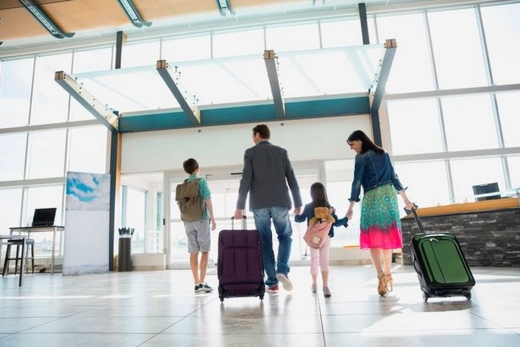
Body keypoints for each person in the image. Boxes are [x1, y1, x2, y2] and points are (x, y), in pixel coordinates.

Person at [234, 124, 303, 293]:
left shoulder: (250, 153)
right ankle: (282, 270)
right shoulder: (281, 152)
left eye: (253, 135)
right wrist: (298, 202)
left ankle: (272, 282)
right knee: (285, 236)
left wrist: (239, 206)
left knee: (264, 242)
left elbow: (246, 180)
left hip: (259, 204)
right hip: (280, 201)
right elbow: (291, 178)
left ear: (257, 135)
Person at [345, 130, 414, 296]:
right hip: (389, 197)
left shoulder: (361, 157)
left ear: (360, 141)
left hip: (373, 197)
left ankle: (380, 275)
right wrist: (406, 199)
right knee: (387, 237)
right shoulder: (384, 153)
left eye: (352, 144)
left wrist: (351, 206)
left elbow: (357, 182)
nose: (352, 148)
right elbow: (394, 177)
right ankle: (389, 274)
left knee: (373, 237)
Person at [295, 182, 348, 297]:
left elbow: (299, 220)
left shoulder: (309, 207)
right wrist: (346, 219)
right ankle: (325, 286)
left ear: (312, 194)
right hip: (326, 237)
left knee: (314, 259)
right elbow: (337, 223)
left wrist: (296, 213)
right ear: (324, 193)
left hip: (313, 237)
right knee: (325, 260)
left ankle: (314, 284)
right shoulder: (330, 208)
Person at [180, 158, 217, 294]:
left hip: (187, 222)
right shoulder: (201, 182)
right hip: (201, 219)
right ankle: (202, 282)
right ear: (197, 168)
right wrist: (212, 219)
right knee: (205, 251)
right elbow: (207, 199)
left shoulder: (184, 185)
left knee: (193, 252)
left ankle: (196, 284)